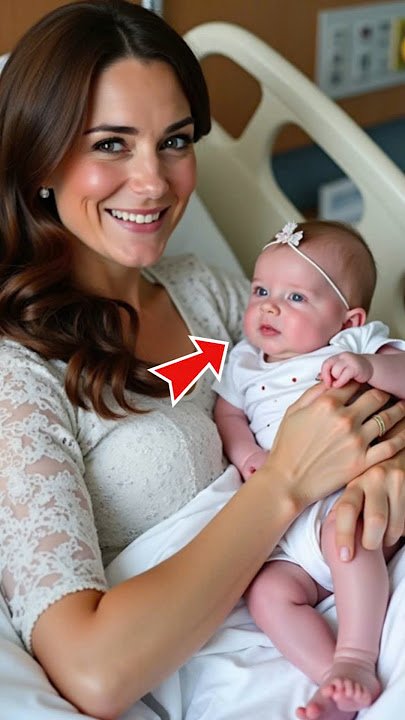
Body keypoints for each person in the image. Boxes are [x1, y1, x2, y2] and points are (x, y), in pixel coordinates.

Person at [0, 3, 405, 718]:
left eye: (175, 141)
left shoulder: (213, 295)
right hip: (253, 658)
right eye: (111, 144)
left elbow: (314, 387)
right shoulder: (20, 371)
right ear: (40, 160)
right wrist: (284, 481)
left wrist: (386, 466)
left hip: (352, 582)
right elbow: (93, 673)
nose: (154, 182)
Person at [214, 219, 405, 720]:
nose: (269, 306)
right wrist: (244, 453)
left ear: (346, 319)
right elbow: (228, 415)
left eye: (295, 297)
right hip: (288, 523)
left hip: (349, 497)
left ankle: (356, 658)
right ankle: (331, 683)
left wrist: (372, 369)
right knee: (267, 594)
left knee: (349, 537)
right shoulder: (243, 362)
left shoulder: (355, 345)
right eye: (261, 290)